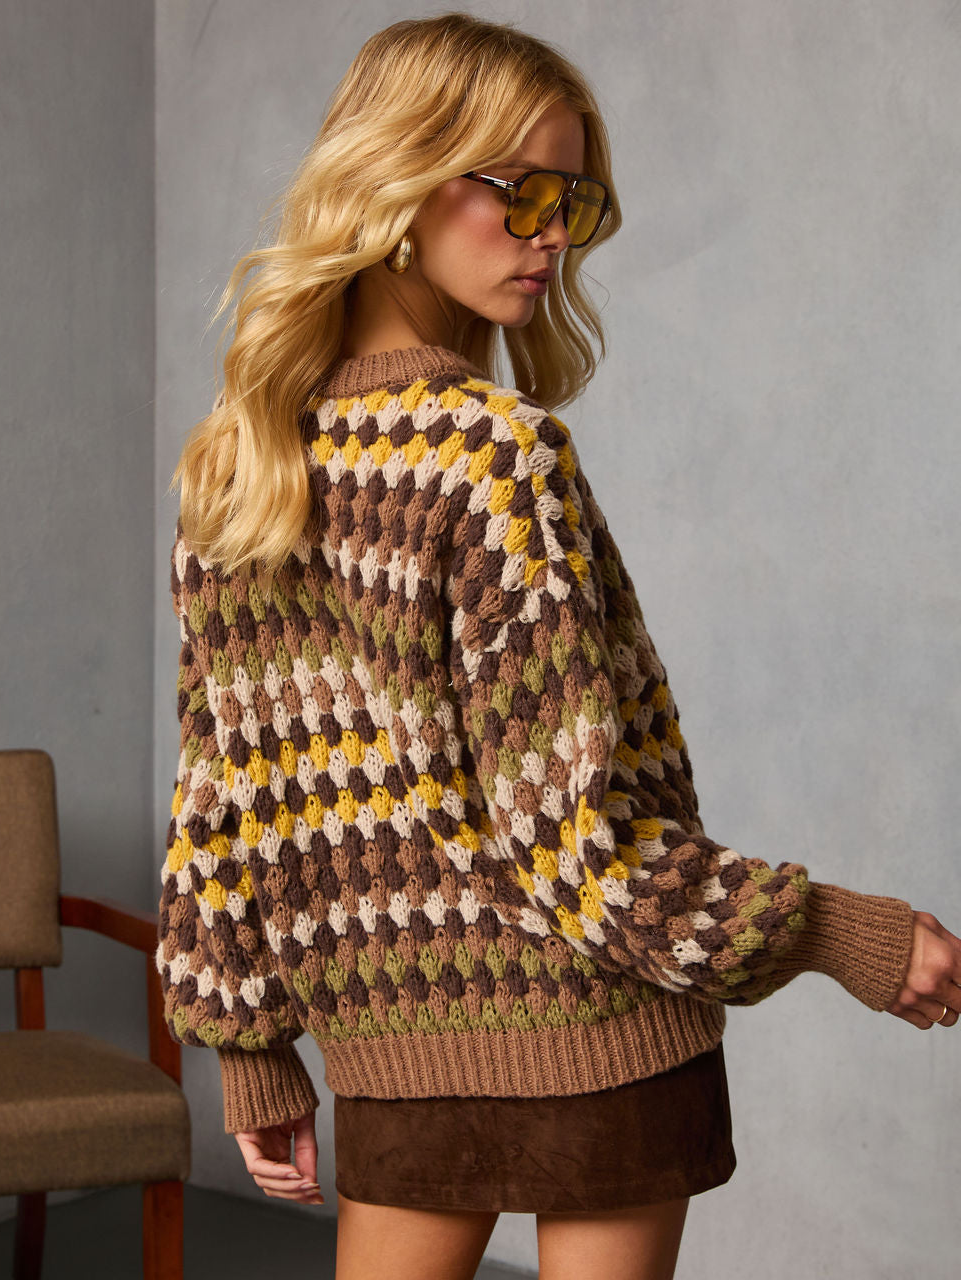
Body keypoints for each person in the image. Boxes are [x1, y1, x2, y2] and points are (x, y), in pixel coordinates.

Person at [155, 13, 960, 1280]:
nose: (550, 237)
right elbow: (574, 840)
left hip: (398, 1051)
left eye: (572, 204)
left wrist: (247, 1042)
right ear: (402, 178)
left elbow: (219, 798)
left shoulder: (236, 465)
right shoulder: (492, 454)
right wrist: (833, 930)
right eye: (520, 193)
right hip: (602, 1037)